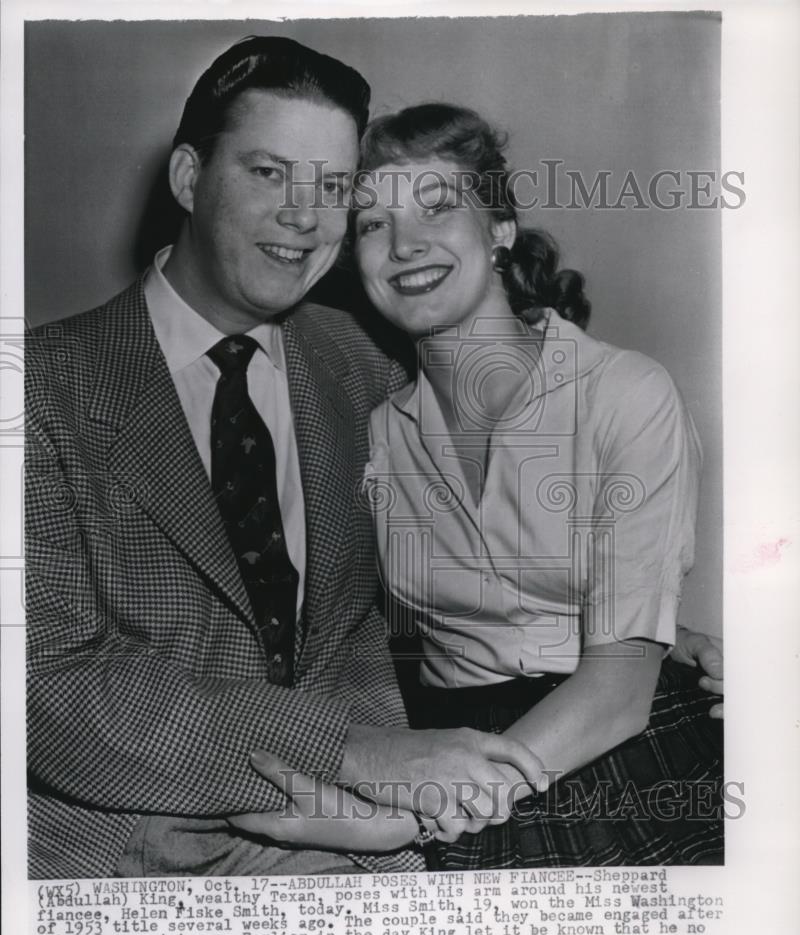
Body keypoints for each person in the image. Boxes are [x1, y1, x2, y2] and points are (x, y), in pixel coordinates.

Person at [26, 38, 723, 877]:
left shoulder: (358, 363)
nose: (302, 215)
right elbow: (42, 685)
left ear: (500, 226)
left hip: (390, 831)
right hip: (136, 842)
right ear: (186, 179)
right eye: (266, 172)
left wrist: (650, 631)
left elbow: (511, 548)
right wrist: (359, 756)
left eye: (329, 189)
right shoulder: (37, 387)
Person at [240, 103, 725, 867]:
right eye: (372, 225)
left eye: (438, 209)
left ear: (499, 229)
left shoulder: (625, 392)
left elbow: (620, 690)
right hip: (451, 748)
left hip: (616, 746)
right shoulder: (367, 434)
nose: (405, 246)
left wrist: (425, 815)